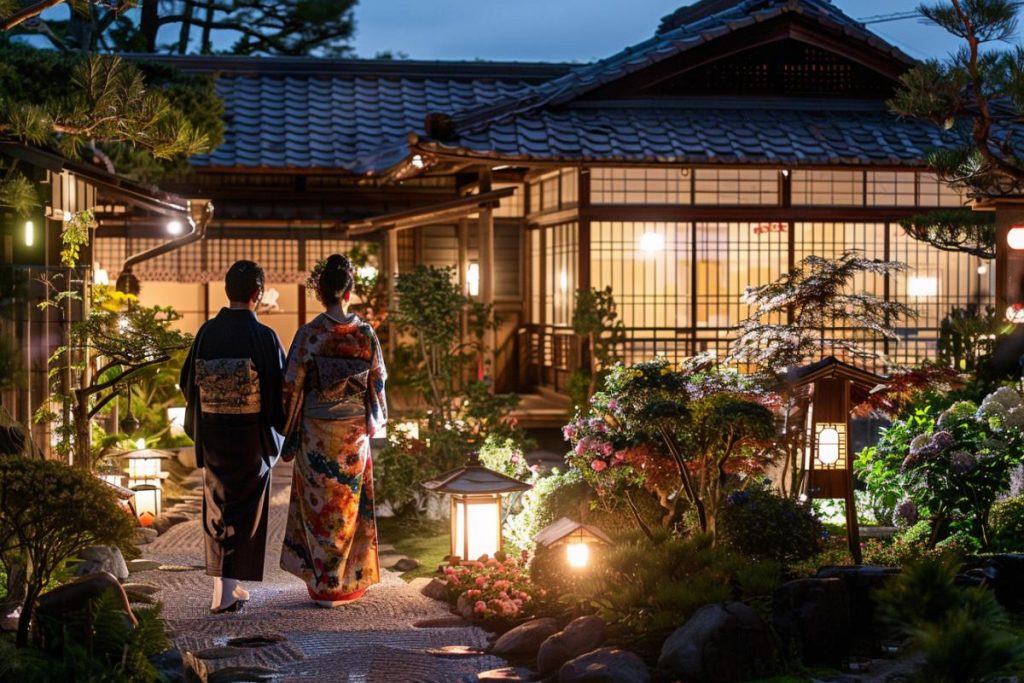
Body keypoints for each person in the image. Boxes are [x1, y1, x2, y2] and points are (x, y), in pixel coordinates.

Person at [280, 254, 387, 607]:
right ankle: (347, 583)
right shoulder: (365, 333)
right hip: (352, 434)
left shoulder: (310, 335)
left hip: (315, 432)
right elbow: (377, 381)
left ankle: (322, 583)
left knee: (318, 510)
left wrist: (288, 428)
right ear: (349, 291)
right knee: (348, 508)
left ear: (320, 293)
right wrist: (376, 418)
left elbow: (291, 385)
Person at [180, 260, 286, 613]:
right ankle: (225, 592)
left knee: (218, 506)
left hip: (213, 432)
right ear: (257, 293)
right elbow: (277, 392)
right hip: (250, 435)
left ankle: (227, 587)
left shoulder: (207, 332)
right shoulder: (264, 336)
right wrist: (283, 429)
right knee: (245, 509)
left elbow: (186, 383)